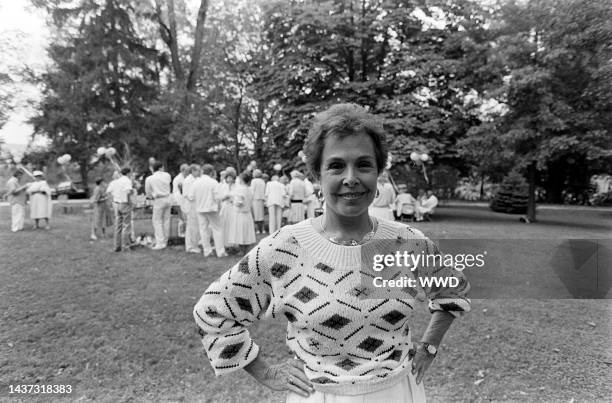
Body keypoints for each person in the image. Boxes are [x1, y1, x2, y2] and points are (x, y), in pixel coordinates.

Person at [193, 103, 470, 402]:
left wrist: (429, 345)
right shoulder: (283, 248)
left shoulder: (408, 242)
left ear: (378, 173)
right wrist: (266, 372)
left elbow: (452, 289)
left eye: (364, 165)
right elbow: (212, 311)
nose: (351, 177)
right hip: (318, 395)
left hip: (397, 393)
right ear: (317, 174)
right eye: (336, 165)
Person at [187, 164, 227, 258]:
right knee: (217, 229)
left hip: (200, 209)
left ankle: (207, 251)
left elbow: (190, 196)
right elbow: (218, 197)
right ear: (211, 172)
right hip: (212, 208)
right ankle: (220, 252)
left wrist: (198, 200)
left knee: (203, 230)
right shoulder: (213, 182)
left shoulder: (196, 182)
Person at [226, 171, 257, 253]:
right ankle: (245, 250)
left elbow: (239, 203)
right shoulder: (250, 189)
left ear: (242, 180)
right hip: (247, 213)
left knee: (241, 232)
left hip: (240, 214)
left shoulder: (241, 190)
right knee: (246, 232)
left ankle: (242, 250)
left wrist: (232, 202)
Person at [145, 161, 172, 250]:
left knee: (157, 221)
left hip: (158, 199)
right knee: (166, 220)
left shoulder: (150, 178)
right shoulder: (167, 175)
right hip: (168, 198)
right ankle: (165, 240)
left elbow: (148, 193)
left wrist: (152, 196)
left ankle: (160, 243)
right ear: (161, 167)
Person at [106, 167, 134, 252]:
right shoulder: (127, 181)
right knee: (126, 225)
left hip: (116, 204)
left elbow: (109, 192)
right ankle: (125, 246)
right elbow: (128, 193)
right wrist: (130, 203)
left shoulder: (116, 181)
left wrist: (113, 200)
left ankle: (117, 246)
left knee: (118, 226)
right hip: (124, 203)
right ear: (128, 173)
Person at [182, 164, 202, 253]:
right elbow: (187, 194)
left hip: (196, 205)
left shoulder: (196, 179)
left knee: (195, 226)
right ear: (193, 171)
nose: (199, 172)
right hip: (191, 205)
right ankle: (191, 246)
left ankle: (195, 244)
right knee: (191, 226)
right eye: (198, 170)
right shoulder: (188, 180)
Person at [219, 169, 237, 248]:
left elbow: (237, 197)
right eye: (228, 177)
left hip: (233, 207)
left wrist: (231, 198)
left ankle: (233, 242)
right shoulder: (223, 186)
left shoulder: (236, 187)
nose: (229, 179)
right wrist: (225, 197)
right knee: (224, 223)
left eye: (231, 177)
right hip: (225, 206)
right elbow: (220, 197)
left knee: (232, 224)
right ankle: (224, 242)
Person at [173, 163, 190, 237]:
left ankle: (186, 232)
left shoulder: (187, 177)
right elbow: (180, 191)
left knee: (186, 217)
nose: (188, 172)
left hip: (186, 200)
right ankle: (181, 233)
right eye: (186, 171)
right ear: (183, 170)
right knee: (182, 217)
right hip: (179, 200)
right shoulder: (178, 179)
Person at [251, 169, 266, 234]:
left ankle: (257, 230)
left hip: (255, 199)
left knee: (256, 215)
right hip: (261, 199)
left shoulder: (253, 181)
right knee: (261, 215)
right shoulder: (262, 181)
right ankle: (263, 230)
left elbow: (252, 190)